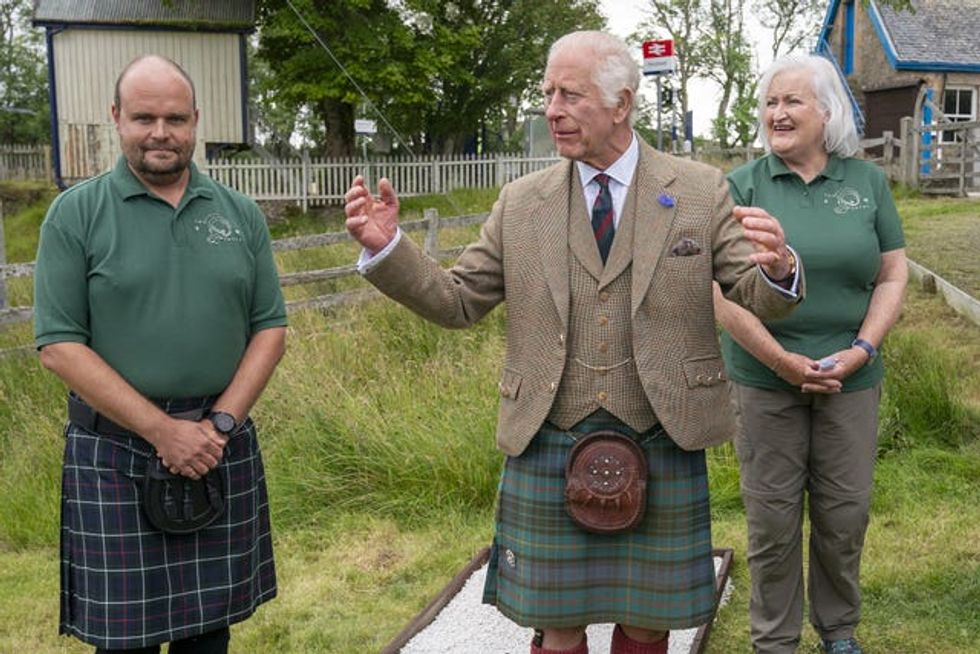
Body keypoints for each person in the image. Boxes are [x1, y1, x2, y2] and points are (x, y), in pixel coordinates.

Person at [345, 31, 804, 654]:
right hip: (548, 434)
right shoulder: (520, 204)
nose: (551, 109)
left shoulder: (699, 190)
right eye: (546, 93)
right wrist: (389, 251)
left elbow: (755, 295)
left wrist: (778, 270)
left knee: (649, 621)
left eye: (570, 94)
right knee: (557, 623)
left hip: (663, 430)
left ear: (621, 103)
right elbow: (459, 302)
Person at [33, 55, 287, 654]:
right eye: (143, 117)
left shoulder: (239, 214)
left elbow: (270, 329)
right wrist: (162, 432)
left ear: (196, 120)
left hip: (217, 444)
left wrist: (219, 425)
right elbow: (59, 346)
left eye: (175, 118)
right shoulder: (76, 215)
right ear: (116, 118)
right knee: (126, 644)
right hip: (116, 451)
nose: (160, 133)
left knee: (209, 635)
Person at [713, 53, 907, 654]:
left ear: (827, 112)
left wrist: (862, 349)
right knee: (772, 522)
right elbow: (720, 293)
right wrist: (781, 362)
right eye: (770, 102)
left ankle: (839, 631)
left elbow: (892, 275)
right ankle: (774, 640)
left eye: (792, 101)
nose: (777, 112)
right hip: (765, 378)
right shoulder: (741, 185)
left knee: (843, 517)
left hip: (852, 376)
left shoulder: (866, 183)